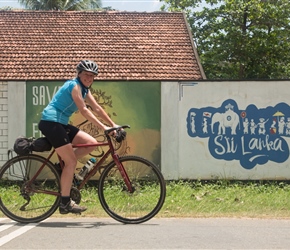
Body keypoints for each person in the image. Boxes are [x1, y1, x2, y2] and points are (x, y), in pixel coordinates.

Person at [38, 60, 119, 214]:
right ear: (79, 74)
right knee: (72, 162)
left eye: (92, 76)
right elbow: (84, 110)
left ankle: (62, 168)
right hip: (51, 122)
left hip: (61, 123)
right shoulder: (73, 85)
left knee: (91, 143)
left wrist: (113, 125)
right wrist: (104, 128)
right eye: (86, 75)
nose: (89, 78)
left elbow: (97, 108)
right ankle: (65, 203)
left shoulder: (85, 90)